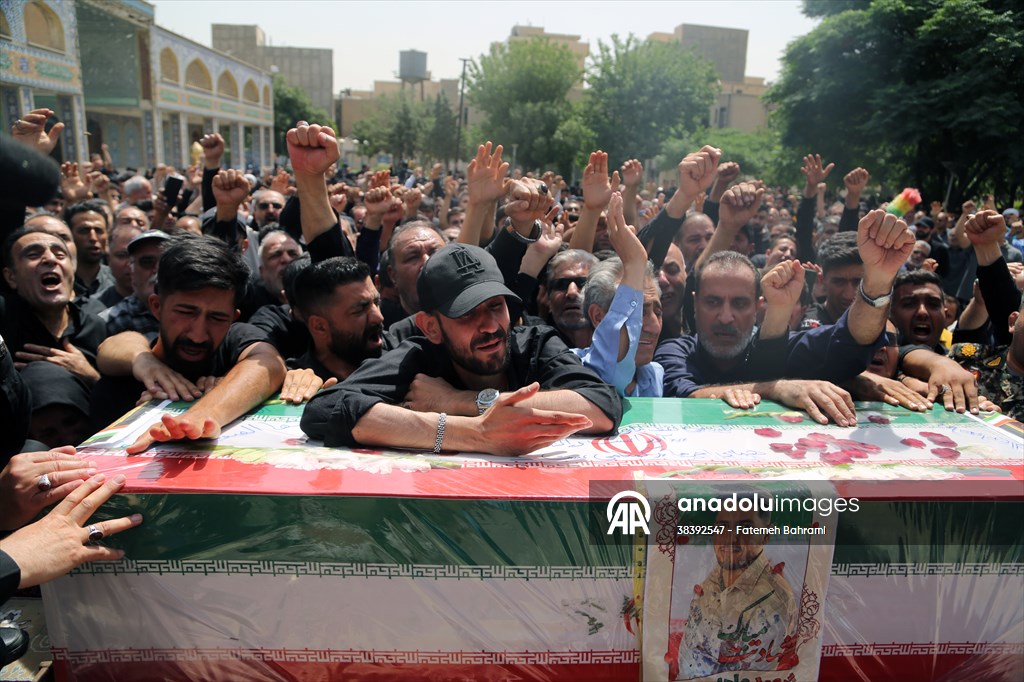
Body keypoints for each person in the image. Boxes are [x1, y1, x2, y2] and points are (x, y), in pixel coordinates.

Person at [301, 243, 621, 456]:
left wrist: (459, 402)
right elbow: (324, 410)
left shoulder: (534, 341)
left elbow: (601, 405)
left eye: (496, 306)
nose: (489, 326)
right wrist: (471, 433)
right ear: (431, 327)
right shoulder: (417, 358)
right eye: (467, 314)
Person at [657, 209, 915, 425]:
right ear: (695, 303)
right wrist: (775, 388)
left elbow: (852, 341)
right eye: (713, 302)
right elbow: (683, 396)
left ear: (758, 306)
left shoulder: (784, 348)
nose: (726, 317)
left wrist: (877, 281)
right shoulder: (673, 351)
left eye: (739, 303)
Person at [90, 235, 286, 451]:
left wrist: (198, 416)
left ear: (233, 317)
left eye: (217, 318)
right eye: (185, 312)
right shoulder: (119, 386)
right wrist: (143, 360)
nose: (198, 335)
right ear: (156, 306)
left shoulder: (234, 345)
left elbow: (269, 364)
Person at [677, 503, 797, 679]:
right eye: (723, 527)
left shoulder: (775, 599)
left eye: (746, 528)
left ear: (766, 534)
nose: (731, 538)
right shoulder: (709, 584)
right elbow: (688, 660)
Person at [576, 192, 663, 396]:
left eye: (657, 312)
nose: (654, 326)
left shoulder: (656, 375)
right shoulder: (573, 367)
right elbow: (609, 372)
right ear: (598, 316)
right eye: (639, 312)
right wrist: (634, 264)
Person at [2, 227, 106, 384]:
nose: (51, 259)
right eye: (33, 255)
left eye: (60, 255)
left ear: (72, 270)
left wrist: (91, 376)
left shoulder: (95, 327)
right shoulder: (4, 317)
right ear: (11, 277)